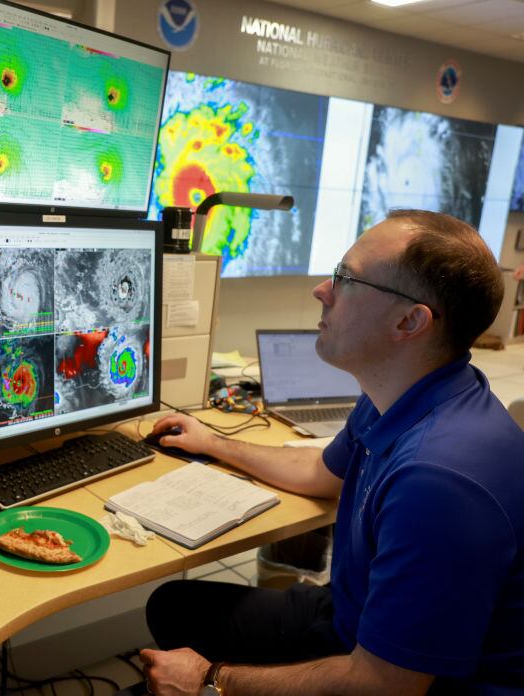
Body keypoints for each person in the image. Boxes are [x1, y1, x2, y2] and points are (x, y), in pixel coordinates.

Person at [139, 210, 524, 696]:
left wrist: (211, 679)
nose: (322, 290)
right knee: (173, 607)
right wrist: (212, 442)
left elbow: (382, 685)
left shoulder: (440, 482)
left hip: (398, 677)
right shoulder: (403, 392)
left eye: (346, 278)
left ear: (409, 321)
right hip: (351, 620)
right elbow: (320, 471)